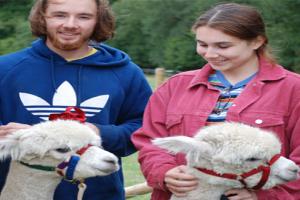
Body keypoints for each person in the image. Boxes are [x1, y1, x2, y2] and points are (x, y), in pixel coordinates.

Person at [132, 3, 300, 200]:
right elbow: (151, 142)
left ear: (257, 41)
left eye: (223, 46)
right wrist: (164, 172)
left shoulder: (293, 89)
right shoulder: (175, 86)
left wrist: (264, 196)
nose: (210, 54)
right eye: (203, 44)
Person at [0, 0, 152, 199]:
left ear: (98, 20)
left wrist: (98, 131)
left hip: (98, 193)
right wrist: (9, 137)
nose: (71, 24)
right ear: (42, 17)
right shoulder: (5, 68)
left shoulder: (125, 73)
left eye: (84, 17)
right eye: (60, 15)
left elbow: (145, 128)